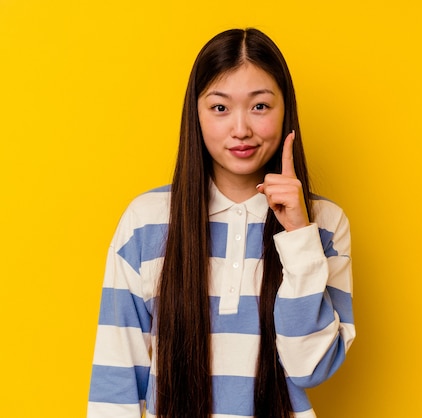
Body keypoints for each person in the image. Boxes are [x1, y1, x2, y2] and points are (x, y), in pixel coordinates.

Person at [88, 28, 355, 418]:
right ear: (194, 115)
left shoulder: (324, 225)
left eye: (260, 106)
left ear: (286, 113)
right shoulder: (146, 221)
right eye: (220, 108)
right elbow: (116, 379)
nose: (241, 129)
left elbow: (310, 367)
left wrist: (299, 236)